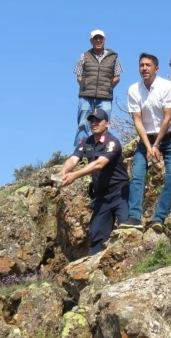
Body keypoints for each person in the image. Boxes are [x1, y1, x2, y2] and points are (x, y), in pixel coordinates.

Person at [122, 53, 171, 232]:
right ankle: (134, 217)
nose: (144, 68)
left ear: (156, 69)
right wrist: (149, 147)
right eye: (141, 65)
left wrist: (156, 145)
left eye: (148, 65)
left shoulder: (166, 86)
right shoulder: (134, 89)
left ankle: (159, 218)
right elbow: (137, 121)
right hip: (146, 138)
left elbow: (168, 118)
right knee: (137, 175)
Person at [61, 109, 129, 255]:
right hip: (101, 197)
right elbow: (73, 158)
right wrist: (64, 171)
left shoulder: (112, 142)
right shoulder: (86, 142)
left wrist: (75, 175)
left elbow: (99, 164)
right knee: (97, 236)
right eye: (92, 121)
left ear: (107, 124)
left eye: (98, 120)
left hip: (120, 194)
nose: (94, 123)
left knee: (127, 230)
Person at [73, 29, 123, 148]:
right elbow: (78, 76)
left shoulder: (113, 57)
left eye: (100, 38)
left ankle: (102, 149)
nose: (98, 40)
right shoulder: (84, 56)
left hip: (105, 97)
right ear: (91, 41)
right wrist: (85, 85)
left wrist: (107, 88)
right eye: (95, 38)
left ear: (104, 40)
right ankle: (81, 150)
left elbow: (117, 77)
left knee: (103, 123)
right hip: (86, 96)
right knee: (83, 124)